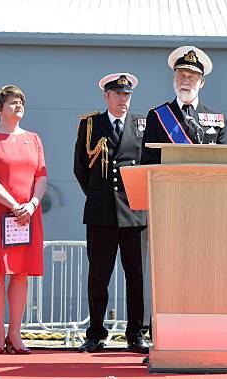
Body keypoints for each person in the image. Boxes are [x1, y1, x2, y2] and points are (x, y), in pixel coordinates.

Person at [73, 73, 149, 354]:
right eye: (117, 94)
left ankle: (136, 334)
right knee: (98, 277)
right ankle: (95, 333)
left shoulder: (143, 124)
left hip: (135, 212)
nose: (122, 99)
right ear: (106, 96)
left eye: (126, 95)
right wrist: (97, 195)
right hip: (101, 212)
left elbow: (150, 163)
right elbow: (81, 167)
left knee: (136, 277)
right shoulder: (90, 124)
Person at [0, 85, 48, 354]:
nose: (19, 106)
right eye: (13, 102)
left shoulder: (34, 138)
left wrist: (32, 204)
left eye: (21, 102)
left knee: (21, 272)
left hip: (27, 215)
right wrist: (14, 205)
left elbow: (41, 175)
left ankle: (16, 334)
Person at [140, 45, 227, 164]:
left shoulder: (218, 120)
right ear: (173, 79)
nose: (185, 81)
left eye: (191, 77)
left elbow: (223, 163)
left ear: (202, 82)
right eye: (181, 76)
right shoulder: (157, 116)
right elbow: (148, 162)